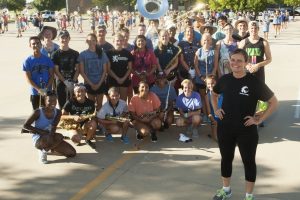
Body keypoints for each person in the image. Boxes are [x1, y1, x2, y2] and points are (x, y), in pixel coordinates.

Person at [211, 49, 278, 200]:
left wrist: (259, 119)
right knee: (226, 159)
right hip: (226, 128)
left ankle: (249, 196)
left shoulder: (254, 82)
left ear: (246, 63)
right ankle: (226, 190)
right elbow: (214, 94)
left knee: (248, 161)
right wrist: (216, 109)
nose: (235, 63)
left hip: (246, 130)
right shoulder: (225, 79)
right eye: (233, 60)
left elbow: (273, 103)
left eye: (239, 61)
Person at [23, 91, 76, 164]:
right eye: (49, 100)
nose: (53, 103)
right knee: (52, 137)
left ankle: (46, 149)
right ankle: (42, 151)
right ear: (45, 101)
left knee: (72, 153)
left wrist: (50, 135)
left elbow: (54, 126)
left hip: (50, 135)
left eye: (54, 100)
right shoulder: (38, 112)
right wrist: (41, 132)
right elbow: (25, 125)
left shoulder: (58, 112)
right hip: (39, 137)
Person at [61, 83, 97, 149]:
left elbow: (93, 117)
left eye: (82, 91)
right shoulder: (70, 102)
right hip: (73, 125)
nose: (80, 93)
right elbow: (62, 117)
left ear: (85, 92)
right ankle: (70, 134)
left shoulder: (91, 103)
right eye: (78, 91)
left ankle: (87, 140)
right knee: (76, 139)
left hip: (84, 125)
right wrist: (73, 117)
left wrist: (92, 130)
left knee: (93, 124)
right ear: (74, 93)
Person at [78, 33, 109, 110]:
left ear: (96, 41)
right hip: (89, 83)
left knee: (99, 105)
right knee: (90, 105)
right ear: (86, 42)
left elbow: (105, 71)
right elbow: (82, 71)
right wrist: (91, 84)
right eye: (89, 40)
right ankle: (93, 121)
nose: (91, 42)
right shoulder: (82, 54)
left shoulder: (102, 53)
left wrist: (99, 84)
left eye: (93, 40)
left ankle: (100, 120)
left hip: (100, 82)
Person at [23, 36, 55, 110]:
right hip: (35, 92)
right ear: (30, 46)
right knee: (36, 113)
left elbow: (52, 76)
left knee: (48, 113)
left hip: (47, 92)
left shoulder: (47, 60)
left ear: (41, 45)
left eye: (38, 43)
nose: (36, 45)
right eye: (33, 44)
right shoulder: (27, 61)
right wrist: (39, 89)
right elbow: (28, 79)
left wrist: (46, 88)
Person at [52, 30, 80, 109]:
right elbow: (56, 70)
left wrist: (73, 82)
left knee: (74, 105)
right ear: (58, 39)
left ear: (69, 38)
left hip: (73, 83)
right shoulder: (55, 54)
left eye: (66, 37)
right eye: (62, 38)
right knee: (63, 106)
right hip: (61, 83)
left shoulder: (75, 53)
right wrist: (65, 81)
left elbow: (78, 69)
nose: (64, 40)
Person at [194, 33, 216, 123]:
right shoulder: (198, 51)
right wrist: (201, 77)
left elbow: (215, 66)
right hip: (201, 78)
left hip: (211, 79)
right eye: (204, 40)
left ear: (211, 41)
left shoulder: (214, 51)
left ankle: (212, 114)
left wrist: (211, 78)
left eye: (208, 40)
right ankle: (206, 114)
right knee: (203, 97)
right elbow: (196, 65)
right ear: (202, 41)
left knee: (212, 97)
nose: (206, 41)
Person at [106, 33, 133, 101]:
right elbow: (108, 69)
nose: (119, 42)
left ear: (123, 41)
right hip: (112, 80)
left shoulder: (127, 53)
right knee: (112, 100)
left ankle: (123, 112)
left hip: (124, 79)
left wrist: (123, 78)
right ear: (113, 41)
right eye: (117, 40)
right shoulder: (108, 53)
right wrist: (117, 78)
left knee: (123, 101)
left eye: (121, 40)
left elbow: (130, 68)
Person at [204, 75, 221, 141]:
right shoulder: (207, 96)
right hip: (214, 117)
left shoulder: (222, 92)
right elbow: (209, 112)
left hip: (223, 115)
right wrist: (213, 120)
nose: (210, 85)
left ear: (216, 83)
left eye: (212, 83)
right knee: (217, 138)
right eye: (208, 84)